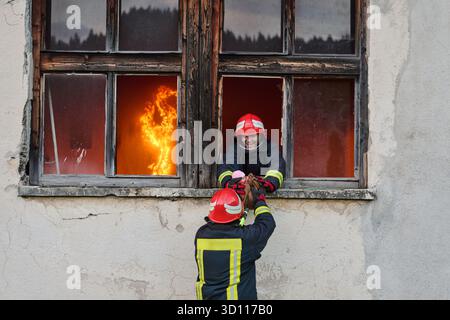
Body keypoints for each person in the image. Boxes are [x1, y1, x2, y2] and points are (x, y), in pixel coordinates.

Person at [194, 188, 275, 300]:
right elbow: (267, 223)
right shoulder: (246, 239)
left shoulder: (201, 234)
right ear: (239, 213)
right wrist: (259, 202)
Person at [217, 114, 286, 197]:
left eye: (252, 135)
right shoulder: (234, 149)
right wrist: (229, 183)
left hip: (262, 191)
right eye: (244, 136)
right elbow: (225, 167)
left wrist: (269, 183)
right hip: (239, 193)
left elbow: (277, 165)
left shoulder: (270, 147)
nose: (248, 140)